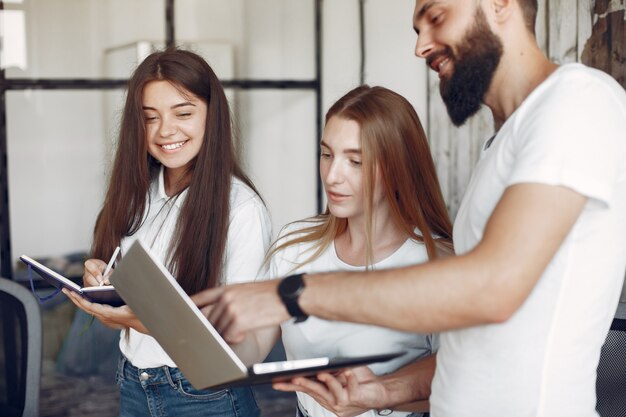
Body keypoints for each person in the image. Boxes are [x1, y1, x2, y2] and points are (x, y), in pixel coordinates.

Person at [192, 1, 626, 416]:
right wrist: (381, 391)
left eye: (435, 17)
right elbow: (471, 344)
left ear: (499, 4)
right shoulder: (502, 143)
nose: (420, 46)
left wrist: (293, 295)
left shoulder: (577, 101)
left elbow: (492, 288)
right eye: (417, 30)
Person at [63, 48, 272, 417]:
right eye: (150, 118)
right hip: (133, 382)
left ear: (212, 115)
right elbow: (128, 294)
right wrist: (102, 282)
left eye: (183, 113)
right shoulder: (137, 194)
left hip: (205, 395)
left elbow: (239, 343)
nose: (165, 131)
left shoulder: (242, 210)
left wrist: (139, 320)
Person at [264, 85, 452, 417]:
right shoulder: (294, 247)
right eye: (326, 154)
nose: (332, 175)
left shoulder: (437, 265)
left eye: (356, 161)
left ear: (399, 168)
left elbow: (456, 379)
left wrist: (377, 396)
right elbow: (250, 346)